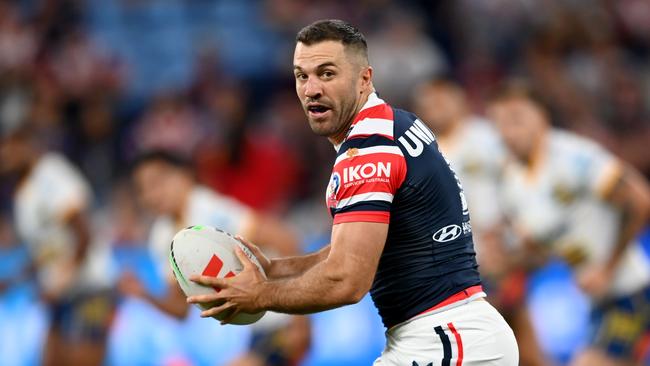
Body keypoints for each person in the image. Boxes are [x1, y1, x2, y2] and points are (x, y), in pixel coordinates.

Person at [188, 19, 518, 365]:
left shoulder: (366, 154)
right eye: (302, 76)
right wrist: (275, 269)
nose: (311, 89)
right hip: (450, 333)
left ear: (364, 79)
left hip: (445, 337)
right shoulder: (396, 123)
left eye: (327, 74)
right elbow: (361, 247)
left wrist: (262, 295)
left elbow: (347, 280)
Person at [486, 80, 650, 366]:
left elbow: (639, 201)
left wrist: (607, 269)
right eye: (500, 122)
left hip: (632, 290)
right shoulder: (512, 183)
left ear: (542, 117)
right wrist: (507, 262)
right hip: (596, 302)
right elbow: (541, 250)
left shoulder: (575, 157)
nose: (509, 131)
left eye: (517, 119)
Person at [129, 150, 310, 366]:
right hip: (258, 330)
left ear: (184, 176)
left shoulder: (207, 210)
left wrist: (300, 319)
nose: (152, 194)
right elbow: (180, 309)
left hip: (282, 321)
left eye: (158, 181)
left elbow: (283, 239)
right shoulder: (161, 238)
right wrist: (144, 295)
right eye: (143, 189)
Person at [413, 78, 548, 366]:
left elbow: (520, 180)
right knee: (516, 345)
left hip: (498, 258)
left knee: (489, 344)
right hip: (454, 265)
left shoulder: (487, 137)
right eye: (427, 102)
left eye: (441, 99)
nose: (434, 107)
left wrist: (514, 229)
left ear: (459, 99)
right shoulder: (423, 152)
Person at [0, 122, 115, 366]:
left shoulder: (49, 172)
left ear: (24, 144)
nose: (4, 155)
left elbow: (83, 232)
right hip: (60, 292)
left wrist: (64, 279)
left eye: (7, 146)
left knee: (82, 360)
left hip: (89, 286)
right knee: (51, 359)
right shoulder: (21, 192)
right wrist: (14, 279)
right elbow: (47, 249)